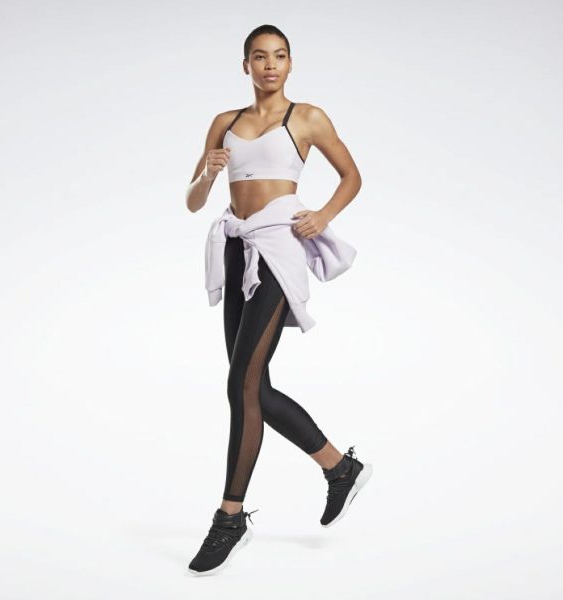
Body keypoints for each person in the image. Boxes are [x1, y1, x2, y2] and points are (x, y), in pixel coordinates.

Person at [185, 24, 373, 576]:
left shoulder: (307, 117)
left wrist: (323, 215)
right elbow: (193, 200)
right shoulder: (224, 122)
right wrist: (208, 175)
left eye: (280, 56)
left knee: (240, 384)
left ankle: (229, 517)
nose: (270, 65)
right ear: (245, 65)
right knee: (251, 386)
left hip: (277, 247)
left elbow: (352, 176)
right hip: (236, 247)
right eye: (260, 57)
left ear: (290, 64)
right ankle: (339, 468)